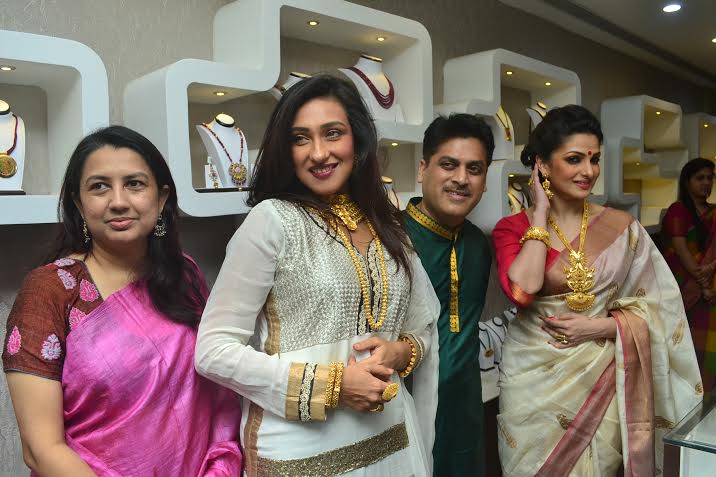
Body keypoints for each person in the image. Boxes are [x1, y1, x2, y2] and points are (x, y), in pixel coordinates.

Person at [194, 75, 439, 477]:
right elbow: (213, 352)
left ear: (357, 140)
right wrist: (335, 386)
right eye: (300, 138)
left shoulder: (387, 225)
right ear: (285, 149)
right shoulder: (272, 221)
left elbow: (421, 327)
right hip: (305, 457)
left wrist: (402, 353)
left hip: (391, 440)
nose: (319, 152)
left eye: (333, 133)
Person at [3, 126, 242, 476]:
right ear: (78, 203)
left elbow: (216, 397)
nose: (118, 201)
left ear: (161, 198)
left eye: (134, 184)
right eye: (99, 186)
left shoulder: (184, 274)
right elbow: (41, 450)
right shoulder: (50, 290)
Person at [492, 105, 702, 476]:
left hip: (602, 371)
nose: (588, 171)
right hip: (531, 381)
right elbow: (523, 291)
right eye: (574, 159)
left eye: (594, 159)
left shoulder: (622, 227)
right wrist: (539, 215)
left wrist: (601, 327)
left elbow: (661, 307)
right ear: (542, 165)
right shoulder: (512, 228)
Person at [402, 113, 493, 476]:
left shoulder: (479, 244)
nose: (461, 179)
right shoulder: (390, 239)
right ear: (423, 169)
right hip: (403, 411)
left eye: (475, 169)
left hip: (465, 412)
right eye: (449, 164)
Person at [662, 158, 716, 397]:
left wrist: (711, 268)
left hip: (712, 288)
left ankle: (708, 398)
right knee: (688, 347)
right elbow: (681, 251)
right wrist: (704, 285)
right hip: (685, 291)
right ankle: (689, 399)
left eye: (710, 178)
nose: (706, 183)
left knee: (710, 349)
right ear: (687, 181)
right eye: (700, 178)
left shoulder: (714, 213)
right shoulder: (679, 210)